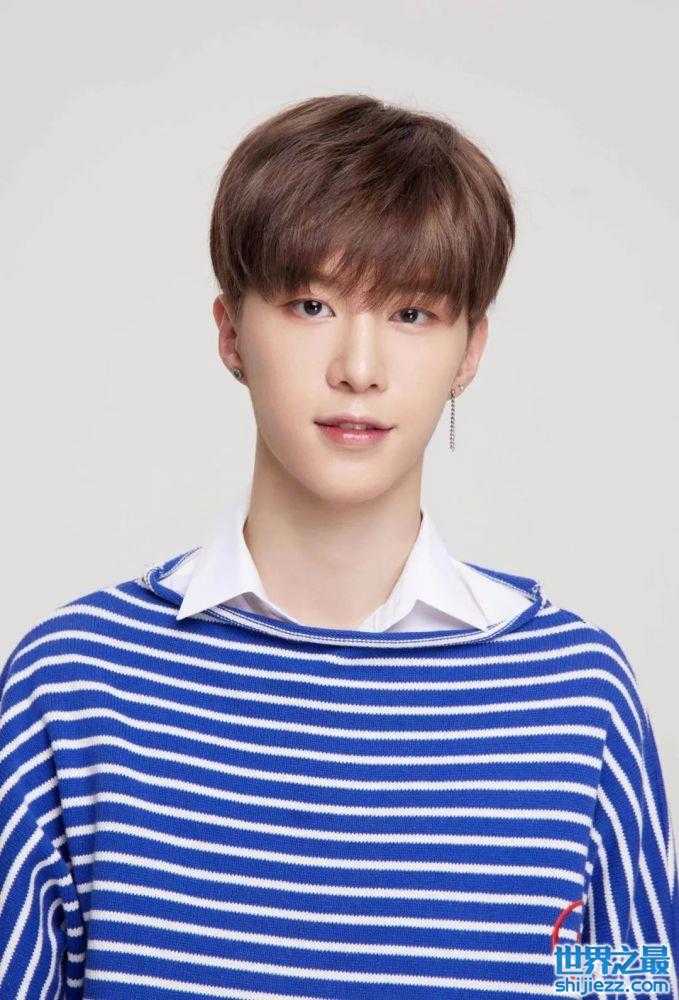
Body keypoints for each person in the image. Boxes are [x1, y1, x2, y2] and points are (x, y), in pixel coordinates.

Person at [1, 93, 677, 1000]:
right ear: (230, 333)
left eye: (412, 315)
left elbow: (633, 986)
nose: (358, 368)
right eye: (311, 304)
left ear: (469, 351)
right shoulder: (74, 685)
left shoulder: (578, 698)